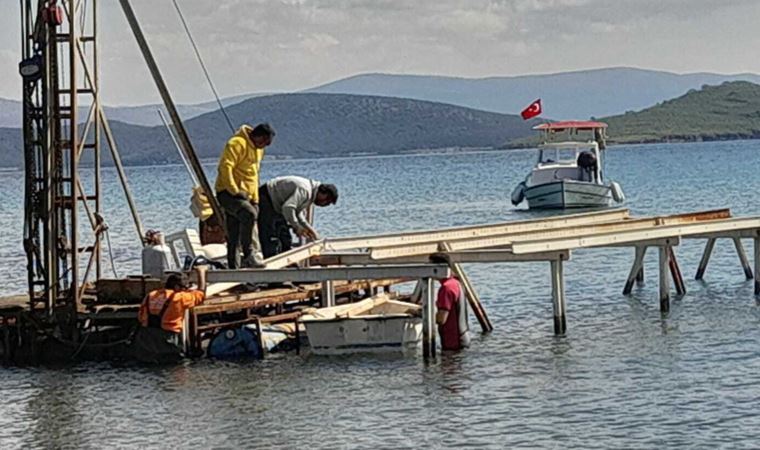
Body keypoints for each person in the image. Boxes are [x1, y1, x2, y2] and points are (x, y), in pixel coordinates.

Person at [215, 123, 275, 268]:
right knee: (249, 214)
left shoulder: (258, 151)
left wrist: (255, 198)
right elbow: (225, 167)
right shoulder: (236, 143)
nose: (264, 147)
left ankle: (234, 271)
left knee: (233, 234)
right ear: (257, 136)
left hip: (247, 195)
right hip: (228, 193)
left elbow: (254, 175)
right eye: (263, 142)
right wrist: (234, 190)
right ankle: (249, 255)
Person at [257, 175, 338, 258]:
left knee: (285, 237)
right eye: (326, 200)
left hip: (278, 204)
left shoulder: (310, 194)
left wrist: (312, 231)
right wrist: (297, 227)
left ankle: (287, 260)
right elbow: (288, 208)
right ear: (323, 192)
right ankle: (271, 262)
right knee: (270, 235)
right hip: (266, 196)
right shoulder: (305, 190)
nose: (324, 204)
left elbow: (298, 213)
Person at [134, 273, 206, 363]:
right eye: (185, 288)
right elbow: (201, 295)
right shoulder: (179, 297)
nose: (186, 290)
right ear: (177, 287)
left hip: (147, 338)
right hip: (168, 338)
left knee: (148, 362)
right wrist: (201, 273)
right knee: (174, 364)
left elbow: (140, 316)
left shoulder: (151, 295)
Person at [435, 275, 471, 351]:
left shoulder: (446, 288)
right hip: (463, 337)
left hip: (453, 343)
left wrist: (423, 313)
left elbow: (441, 319)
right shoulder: (456, 283)